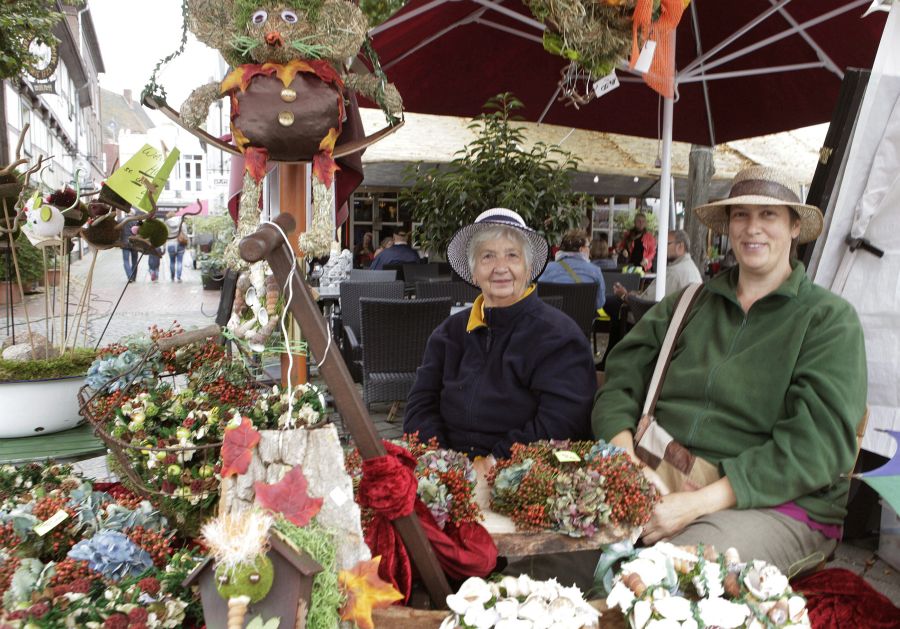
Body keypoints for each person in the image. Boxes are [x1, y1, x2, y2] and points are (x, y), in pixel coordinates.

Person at [593, 166, 867, 575]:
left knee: (656, 578)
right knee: (553, 557)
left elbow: (816, 446)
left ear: (794, 227)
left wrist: (695, 504)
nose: (752, 228)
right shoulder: (687, 303)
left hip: (775, 505)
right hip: (659, 472)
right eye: (741, 214)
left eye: (768, 214)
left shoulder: (828, 320)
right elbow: (620, 380)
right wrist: (623, 459)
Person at [404, 208, 596, 459]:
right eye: (488, 256)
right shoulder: (448, 333)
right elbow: (420, 405)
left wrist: (495, 462)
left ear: (528, 268)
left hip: (522, 470)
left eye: (512, 255)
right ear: (474, 272)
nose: (500, 268)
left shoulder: (560, 337)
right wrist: (441, 459)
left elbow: (563, 421)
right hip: (447, 465)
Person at [599, 230, 703, 369]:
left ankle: (612, 363)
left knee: (615, 306)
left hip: (657, 323)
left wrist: (625, 296)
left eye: (666, 244)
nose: (660, 249)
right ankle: (611, 361)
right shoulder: (689, 267)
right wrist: (636, 294)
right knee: (616, 307)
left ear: (680, 246)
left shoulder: (675, 272)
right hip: (675, 323)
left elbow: (648, 302)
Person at [537, 229, 606, 309]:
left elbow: (539, 297)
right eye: (588, 246)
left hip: (553, 316)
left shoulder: (547, 269)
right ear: (581, 249)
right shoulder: (595, 271)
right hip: (582, 316)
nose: (589, 250)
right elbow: (599, 303)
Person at [165, 215, 186, 282]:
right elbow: (185, 233)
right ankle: (178, 277)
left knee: (172, 262)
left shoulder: (167, 223)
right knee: (179, 262)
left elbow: (165, 234)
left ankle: (172, 277)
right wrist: (188, 243)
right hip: (180, 243)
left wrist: (164, 246)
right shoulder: (181, 223)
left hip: (170, 244)